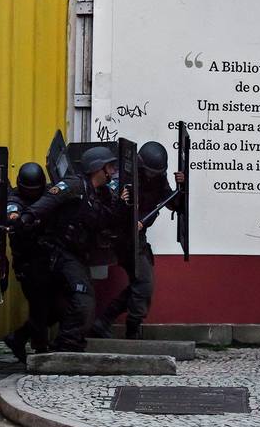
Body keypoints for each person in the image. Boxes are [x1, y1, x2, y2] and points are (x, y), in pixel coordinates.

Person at [18, 147, 129, 352]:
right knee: (83, 299)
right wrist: (27, 216)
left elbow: (109, 220)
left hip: (78, 254)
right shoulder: (75, 185)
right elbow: (49, 201)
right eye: (110, 167)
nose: (113, 171)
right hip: (60, 252)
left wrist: (122, 205)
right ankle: (67, 346)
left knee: (65, 304)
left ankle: (21, 338)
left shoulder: (102, 194)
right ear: (98, 168)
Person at [92, 141, 185, 340]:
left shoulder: (159, 179)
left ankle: (105, 322)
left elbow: (172, 203)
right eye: (150, 172)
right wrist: (130, 217)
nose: (152, 176)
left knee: (141, 284)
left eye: (156, 173)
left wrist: (182, 187)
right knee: (143, 284)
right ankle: (131, 329)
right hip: (122, 237)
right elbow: (111, 209)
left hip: (138, 237)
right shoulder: (124, 177)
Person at [3, 162, 55, 362]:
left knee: (52, 305)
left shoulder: (48, 194)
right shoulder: (14, 200)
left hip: (48, 258)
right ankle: (38, 347)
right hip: (28, 262)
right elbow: (12, 215)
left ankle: (21, 337)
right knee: (39, 305)